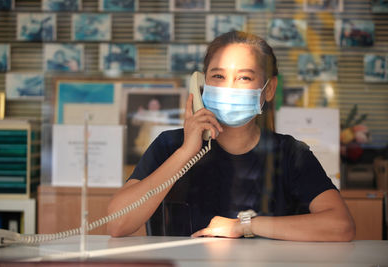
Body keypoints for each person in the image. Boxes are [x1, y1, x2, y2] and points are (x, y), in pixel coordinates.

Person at [107, 31, 355, 241]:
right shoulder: (170, 144)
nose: (228, 87)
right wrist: (185, 153)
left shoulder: (290, 153)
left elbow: (341, 226)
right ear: (202, 83)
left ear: (268, 89)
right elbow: (117, 225)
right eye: (218, 76)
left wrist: (245, 225)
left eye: (244, 78)